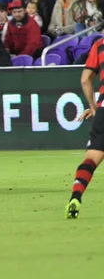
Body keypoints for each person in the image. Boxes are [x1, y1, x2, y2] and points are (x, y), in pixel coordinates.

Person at [65, 37, 104, 218]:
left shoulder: (99, 45)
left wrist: (95, 108)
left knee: (91, 159)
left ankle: (76, 196)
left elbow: (85, 79)